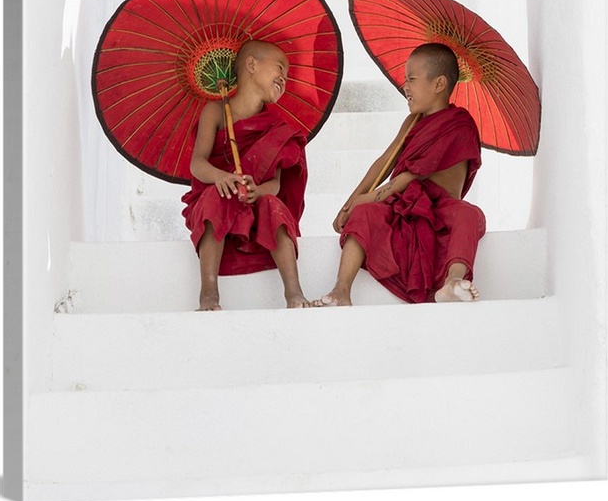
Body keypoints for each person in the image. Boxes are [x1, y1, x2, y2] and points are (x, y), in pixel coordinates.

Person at [313, 42, 485, 306]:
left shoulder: (459, 123)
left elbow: (414, 174)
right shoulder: (412, 122)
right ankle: (341, 290)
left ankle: (453, 281)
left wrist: (370, 197)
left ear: (439, 84)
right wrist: (350, 203)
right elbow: (384, 162)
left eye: (412, 79)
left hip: (442, 209)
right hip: (406, 206)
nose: (405, 87)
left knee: (470, 215)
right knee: (363, 214)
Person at [181, 40, 310, 310]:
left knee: (274, 206)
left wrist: (257, 191)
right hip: (220, 194)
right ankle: (209, 295)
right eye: (279, 68)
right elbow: (197, 164)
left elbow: (274, 184)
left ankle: (294, 293)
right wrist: (221, 177)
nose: (283, 78)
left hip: (255, 200)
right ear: (251, 65)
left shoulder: (276, 127)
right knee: (215, 198)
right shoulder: (214, 111)